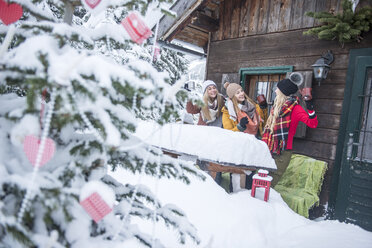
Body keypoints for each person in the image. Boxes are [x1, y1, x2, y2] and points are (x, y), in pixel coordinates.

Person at [262, 78, 318, 187]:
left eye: (277, 89)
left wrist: (310, 106)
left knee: (268, 185)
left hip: (282, 153)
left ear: (283, 92)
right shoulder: (276, 108)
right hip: (269, 149)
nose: (275, 91)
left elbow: (313, 123)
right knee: (259, 182)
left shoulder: (295, 109)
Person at [221, 82, 260, 192]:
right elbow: (228, 132)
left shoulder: (251, 106)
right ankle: (236, 199)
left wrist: (263, 107)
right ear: (232, 96)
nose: (241, 94)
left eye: (241, 91)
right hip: (238, 148)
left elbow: (260, 121)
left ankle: (248, 198)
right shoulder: (228, 111)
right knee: (237, 176)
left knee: (250, 175)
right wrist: (240, 126)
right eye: (237, 93)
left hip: (252, 146)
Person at [186, 80, 225, 184]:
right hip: (204, 134)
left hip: (217, 134)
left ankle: (216, 181)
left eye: (214, 88)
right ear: (205, 92)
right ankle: (201, 180)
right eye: (209, 88)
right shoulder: (202, 102)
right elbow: (191, 110)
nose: (212, 90)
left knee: (215, 159)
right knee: (203, 158)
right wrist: (188, 97)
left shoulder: (222, 101)